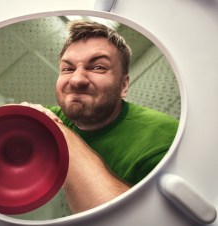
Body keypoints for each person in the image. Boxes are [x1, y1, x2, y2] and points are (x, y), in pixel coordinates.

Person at [20, 20, 178, 214]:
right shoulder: (55, 115)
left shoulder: (164, 139)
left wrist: (62, 134)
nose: (76, 80)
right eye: (68, 69)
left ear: (124, 85)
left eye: (98, 67)